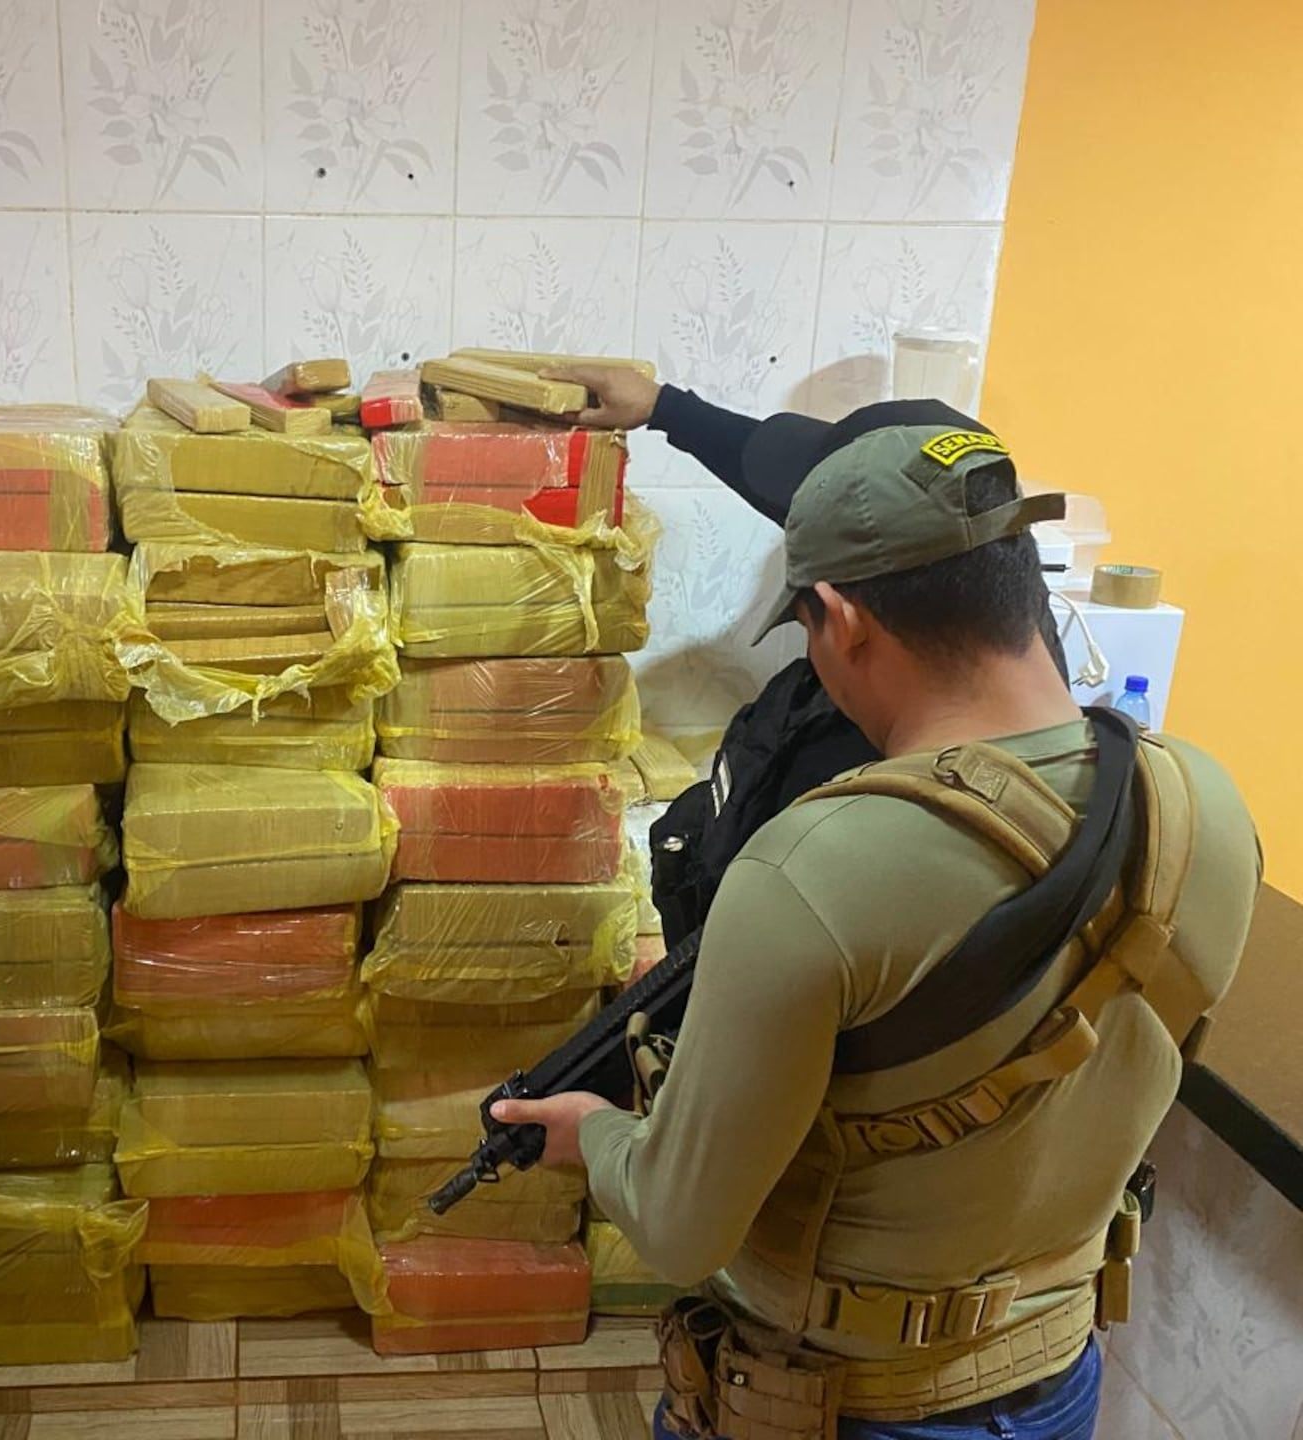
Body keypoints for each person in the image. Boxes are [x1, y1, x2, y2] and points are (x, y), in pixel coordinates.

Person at [493, 406, 1260, 1439]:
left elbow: (680, 1231)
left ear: (843, 620)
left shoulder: (808, 870)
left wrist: (595, 1136)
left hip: (841, 1404)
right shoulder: (1204, 805)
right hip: (1059, 1375)